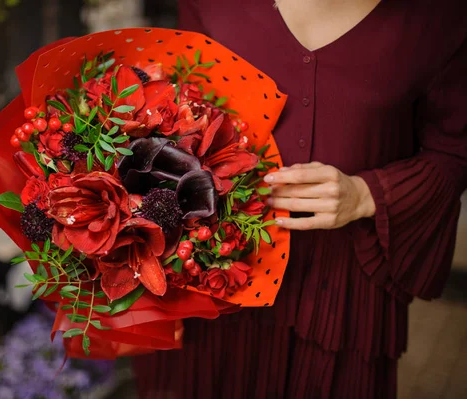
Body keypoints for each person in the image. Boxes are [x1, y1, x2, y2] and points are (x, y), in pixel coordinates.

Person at [133, 0, 467, 397]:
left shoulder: (442, 18)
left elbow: (454, 149)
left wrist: (367, 194)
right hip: (215, 270)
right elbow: (177, 108)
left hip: (341, 289)